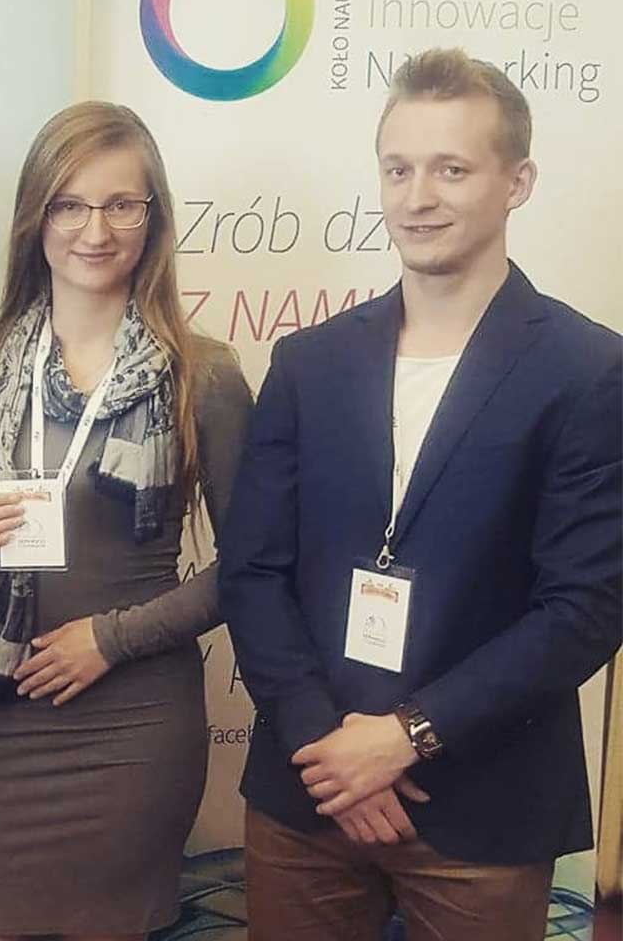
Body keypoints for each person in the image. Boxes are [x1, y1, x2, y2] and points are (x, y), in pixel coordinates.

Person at [219, 48, 622, 941]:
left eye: (452, 169)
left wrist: (404, 737)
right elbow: (251, 571)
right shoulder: (309, 362)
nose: (418, 197)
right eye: (398, 169)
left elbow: (586, 607)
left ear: (517, 183)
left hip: (483, 809)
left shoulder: (589, 370)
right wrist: (326, 745)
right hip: (308, 791)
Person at [0, 101, 252, 940]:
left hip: (132, 722)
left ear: (155, 218)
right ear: (35, 217)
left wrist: (110, 639)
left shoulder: (203, 375)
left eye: (122, 205)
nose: (96, 230)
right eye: (70, 205)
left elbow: (253, 567)